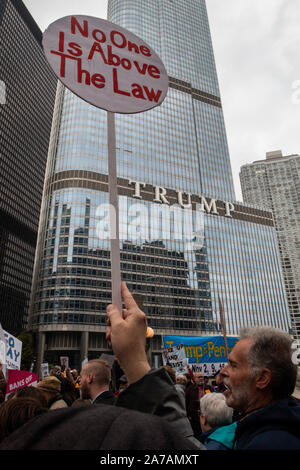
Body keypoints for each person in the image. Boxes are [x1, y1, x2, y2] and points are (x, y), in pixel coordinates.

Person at [0, 282, 203, 450]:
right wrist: (135, 363)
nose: (225, 371)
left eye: (232, 364)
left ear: (89, 378)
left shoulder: (100, 421)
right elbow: (179, 444)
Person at [220, 326, 300, 450]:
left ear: (262, 379)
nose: (222, 372)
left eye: (233, 365)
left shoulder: (267, 445)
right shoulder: (268, 431)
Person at [185, 371, 210, 435]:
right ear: (195, 378)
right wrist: (188, 415)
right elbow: (186, 402)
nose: (201, 378)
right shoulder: (190, 389)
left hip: (207, 416)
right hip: (194, 417)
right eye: (199, 377)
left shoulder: (207, 388)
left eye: (202, 377)